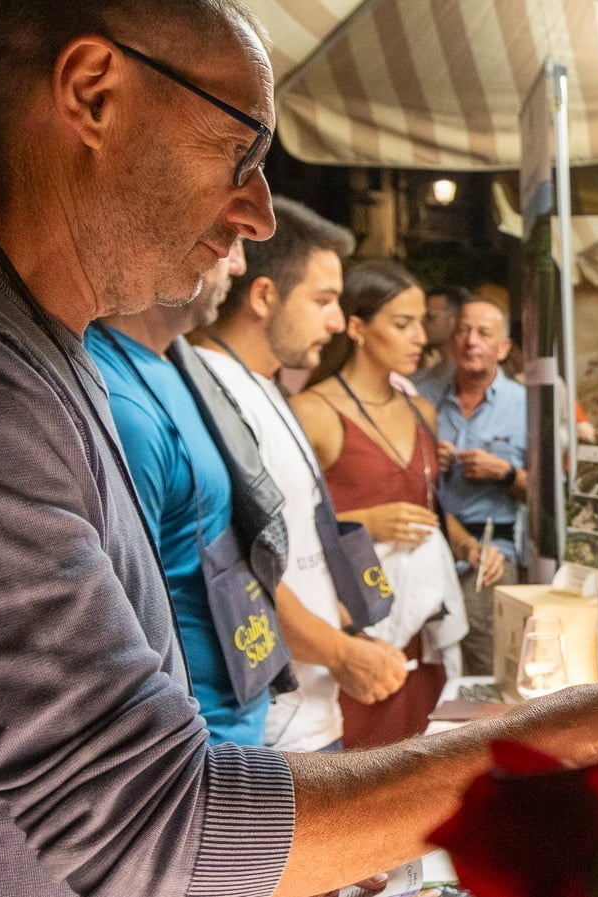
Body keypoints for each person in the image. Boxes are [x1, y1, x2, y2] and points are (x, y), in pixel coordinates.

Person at [0, 5, 598, 894]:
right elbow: (152, 822)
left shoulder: (43, 348)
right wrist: (534, 744)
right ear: (92, 93)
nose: (260, 212)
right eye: (240, 153)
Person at [198, 195, 410, 752]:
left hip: (312, 706)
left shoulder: (264, 385)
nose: (338, 322)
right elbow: (240, 565)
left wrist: (349, 621)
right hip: (273, 726)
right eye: (323, 300)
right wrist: (342, 654)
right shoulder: (218, 391)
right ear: (265, 296)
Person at [86, 237, 288, 745]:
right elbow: (122, 625)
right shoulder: (121, 404)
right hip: (197, 743)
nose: (238, 265)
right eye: (228, 241)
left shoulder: (176, 360)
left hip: (238, 715)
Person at [295, 259, 502, 748]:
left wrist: (471, 547)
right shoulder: (313, 412)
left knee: (423, 754)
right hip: (353, 623)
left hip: (420, 616)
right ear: (358, 327)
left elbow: (427, 508)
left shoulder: (420, 409)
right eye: (402, 324)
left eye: (421, 326)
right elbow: (283, 532)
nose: (420, 340)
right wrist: (363, 521)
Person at [416, 297, 529, 675]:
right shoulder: (419, 395)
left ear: (503, 347)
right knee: (426, 663)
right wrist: (429, 459)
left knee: (486, 660)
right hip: (423, 540)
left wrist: (507, 473)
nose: (471, 342)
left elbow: (548, 498)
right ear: (451, 339)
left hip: (492, 547)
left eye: (483, 333)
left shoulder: (525, 404)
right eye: (463, 330)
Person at [417, 284, 466, 374]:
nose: (421, 323)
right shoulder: (420, 378)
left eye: (430, 316)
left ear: (455, 319)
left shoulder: (473, 377)